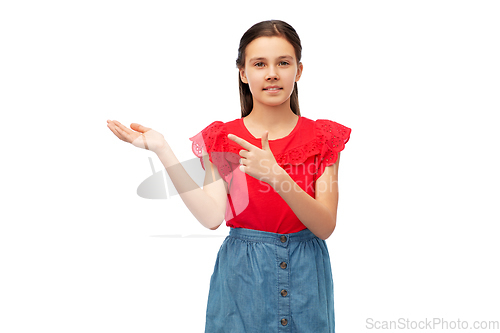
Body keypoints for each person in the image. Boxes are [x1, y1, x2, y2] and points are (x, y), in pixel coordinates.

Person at [107, 19, 351, 333]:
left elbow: (325, 225)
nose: (272, 73)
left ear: (298, 71)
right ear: (243, 72)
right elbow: (211, 216)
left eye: (283, 63)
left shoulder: (323, 137)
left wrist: (276, 176)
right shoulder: (224, 137)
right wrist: (162, 149)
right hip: (243, 279)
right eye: (260, 63)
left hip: (306, 277)